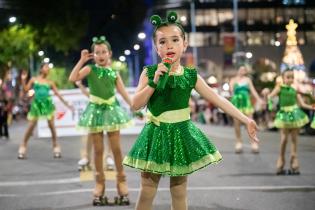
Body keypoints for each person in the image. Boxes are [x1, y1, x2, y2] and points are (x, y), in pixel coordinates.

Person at [122, 11, 259, 210]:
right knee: (147, 189)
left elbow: (218, 99)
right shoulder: (150, 72)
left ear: (184, 45)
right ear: (156, 47)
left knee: (179, 192)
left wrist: (246, 119)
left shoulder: (190, 75)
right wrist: (154, 82)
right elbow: (135, 104)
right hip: (155, 134)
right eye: (162, 42)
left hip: (181, 135)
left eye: (175, 40)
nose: (169, 45)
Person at [69, 36, 133, 206]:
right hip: (95, 112)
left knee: (117, 149)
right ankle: (100, 183)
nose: (101, 55)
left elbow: (124, 94)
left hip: (112, 111)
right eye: (97, 52)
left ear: (110, 54)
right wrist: (82, 60)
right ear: (93, 55)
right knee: (98, 150)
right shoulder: (90, 69)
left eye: (104, 51)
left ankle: (121, 181)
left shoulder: (114, 73)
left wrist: (135, 106)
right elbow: (72, 78)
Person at [17, 63, 73, 159]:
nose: (48, 69)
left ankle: (56, 147)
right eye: (46, 67)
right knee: (31, 127)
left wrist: (67, 104)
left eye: (48, 68)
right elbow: (26, 89)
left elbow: (58, 94)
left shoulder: (50, 82)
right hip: (36, 105)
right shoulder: (34, 79)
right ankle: (23, 146)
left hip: (47, 105)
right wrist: (23, 79)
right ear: (41, 69)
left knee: (51, 127)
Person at [267, 67, 314, 175]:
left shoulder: (294, 89)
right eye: (288, 77)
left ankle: (294, 161)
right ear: (283, 78)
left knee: (294, 139)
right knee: (284, 139)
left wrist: (312, 107)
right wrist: (268, 99)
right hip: (284, 115)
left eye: (292, 77)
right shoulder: (280, 88)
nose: (290, 79)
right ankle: (281, 160)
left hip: (295, 114)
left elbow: (302, 104)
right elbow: (270, 97)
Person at [75, 80, 115, 171]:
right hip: (95, 110)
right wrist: (80, 85)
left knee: (110, 132)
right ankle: (86, 158)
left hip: (108, 108)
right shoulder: (95, 78)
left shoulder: (110, 77)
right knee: (91, 132)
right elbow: (89, 95)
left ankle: (109, 158)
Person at [229, 65, 264, 153]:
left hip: (246, 102)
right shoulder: (233, 80)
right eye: (241, 69)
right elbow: (231, 92)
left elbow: (253, 91)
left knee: (250, 122)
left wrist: (259, 99)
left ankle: (253, 143)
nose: (242, 71)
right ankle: (238, 142)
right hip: (237, 102)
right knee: (236, 123)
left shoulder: (248, 80)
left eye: (244, 70)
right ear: (237, 70)